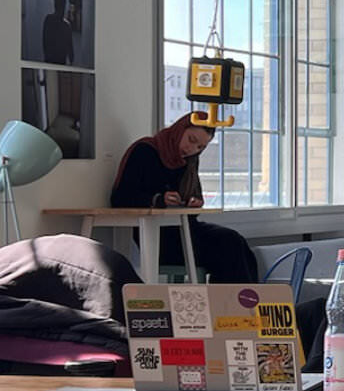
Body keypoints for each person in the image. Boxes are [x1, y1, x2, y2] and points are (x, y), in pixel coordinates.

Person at [109, 114, 259, 283]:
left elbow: (190, 209)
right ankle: (232, 305)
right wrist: (158, 199)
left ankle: (244, 304)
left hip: (185, 230)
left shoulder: (189, 162)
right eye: (191, 139)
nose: (191, 149)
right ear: (180, 129)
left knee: (239, 245)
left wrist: (193, 203)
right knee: (228, 245)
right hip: (158, 238)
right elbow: (120, 197)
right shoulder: (145, 151)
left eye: (200, 147)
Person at [40, 0, 74, 65]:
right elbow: (71, 56)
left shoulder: (49, 20)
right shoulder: (65, 25)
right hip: (55, 62)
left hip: (53, 62)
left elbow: (45, 46)